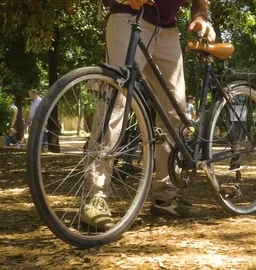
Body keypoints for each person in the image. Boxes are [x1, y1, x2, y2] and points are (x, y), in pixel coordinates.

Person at [81, 0, 216, 230]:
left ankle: (165, 196)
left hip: (168, 30)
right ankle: (96, 196)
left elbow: (201, 2)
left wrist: (202, 17)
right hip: (128, 16)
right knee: (117, 100)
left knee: (175, 112)